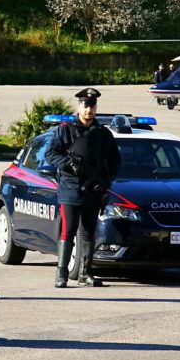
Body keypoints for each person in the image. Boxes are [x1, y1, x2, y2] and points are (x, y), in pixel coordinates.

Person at [45, 87, 121, 288]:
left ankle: (86, 272)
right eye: (86, 105)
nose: (89, 109)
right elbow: (51, 154)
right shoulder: (65, 130)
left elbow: (115, 161)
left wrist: (106, 182)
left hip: (94, 190)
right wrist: (69, 165)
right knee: (68, 231)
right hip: (70, 189)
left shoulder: (103, 134)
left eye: (92, 105)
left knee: (89, 232)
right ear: (79, 106)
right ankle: (61, 274)